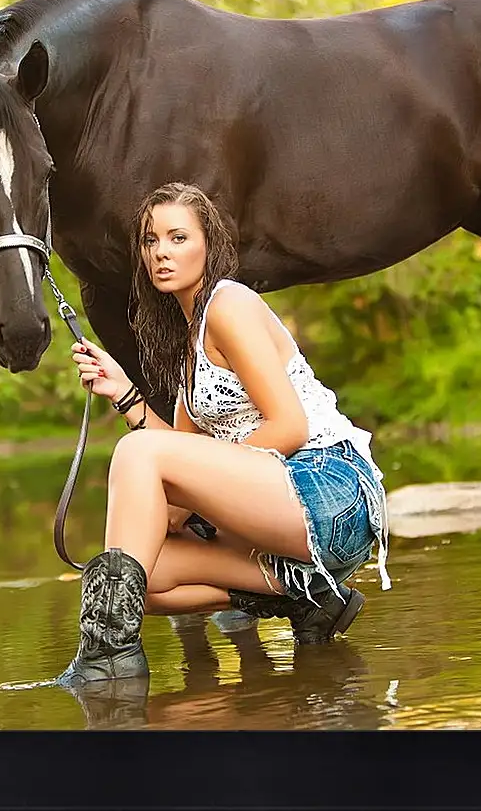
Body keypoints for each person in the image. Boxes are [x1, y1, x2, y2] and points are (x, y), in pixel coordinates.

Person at [56, 182, 391, 686]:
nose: (161, 253)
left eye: (177, 237)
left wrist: (195, 498)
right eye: (151, 241)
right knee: (135, 581)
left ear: (208, 244)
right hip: (277, 519)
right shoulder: (191, 345)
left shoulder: (228, 303)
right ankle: (306, 596)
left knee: (138, 458)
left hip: (330, 489)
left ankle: (107, 659)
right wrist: (124, 394)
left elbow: (289, 426)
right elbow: (181, 454)